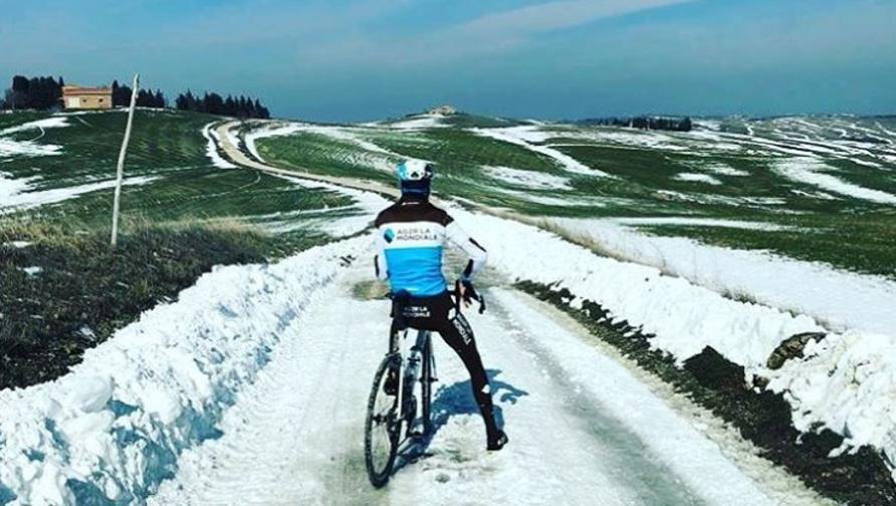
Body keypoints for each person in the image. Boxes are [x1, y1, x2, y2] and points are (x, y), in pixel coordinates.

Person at [373, 159, 508, 451]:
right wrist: (464, 279)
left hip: (404, 306)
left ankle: (395, 375)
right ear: (427, 185)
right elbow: (479, 255)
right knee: (473, 360)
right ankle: (493, 433)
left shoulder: (384, 220)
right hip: (437, 309)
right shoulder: (439, 218)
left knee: (399, 317)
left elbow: (382, 272)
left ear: (402, 184)